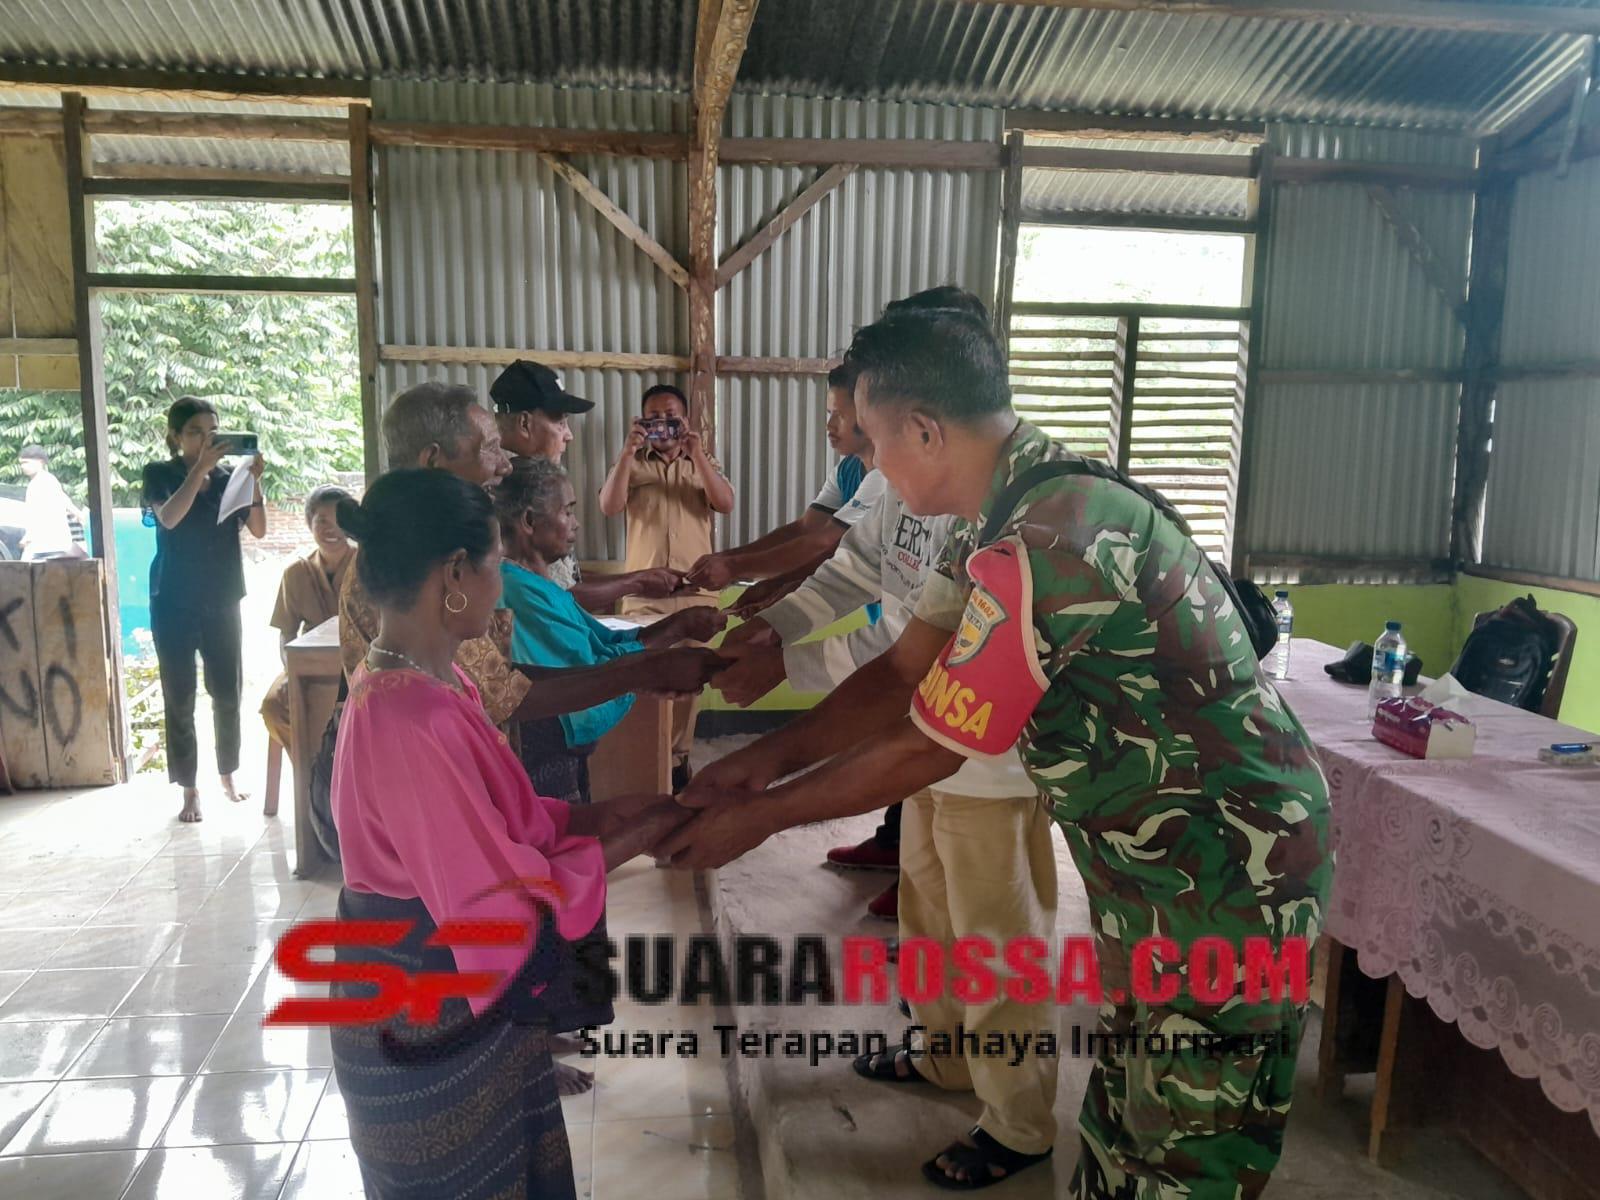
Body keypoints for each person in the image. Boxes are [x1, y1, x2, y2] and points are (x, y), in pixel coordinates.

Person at [665, 304, 1332, 1196]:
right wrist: (763, 762)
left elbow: (932, 743)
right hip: (1154, 860)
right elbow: (905, 669)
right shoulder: (997, 515)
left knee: (1186, 1141)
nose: (870, 465)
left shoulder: (1055, 538)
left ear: (925, 431)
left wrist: (763, 816)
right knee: (1129, 1105)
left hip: (1230, 868)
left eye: (874, 441)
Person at [328, 466, 689, 1200]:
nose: (504, 586)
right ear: (455, 574)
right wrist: (642, 833)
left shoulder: (434, 683)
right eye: (497, 564)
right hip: (426, 1022)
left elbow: (505, 822)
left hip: (466, 1008)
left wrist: (597, 817)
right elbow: (496, 906)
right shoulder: (407, 718)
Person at [339, 381, 721, 730]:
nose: (505, 465)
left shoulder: (430, 543)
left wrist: (643, 667)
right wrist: (641, 671)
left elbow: (502, 677)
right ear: (433, 460)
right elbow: (502, 696)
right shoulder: (421, 559)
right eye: (489, 449)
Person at [598, 383, 735, 790]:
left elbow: (725, 503)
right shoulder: (631, 462)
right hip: (646, 595)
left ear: (685, 420)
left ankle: (677, 761)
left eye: (671, 417)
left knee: (690, 681)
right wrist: (627, 453)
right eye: (653, 418)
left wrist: (697, 455)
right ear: (641, 422)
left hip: (696, 594)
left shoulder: (703, 462)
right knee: (646, 680)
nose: (662, 425)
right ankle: (647, 761)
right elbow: (608, 506)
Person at [140, 398, 266, 824]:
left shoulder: (231, 477)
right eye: (195, 432)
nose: (206, 439)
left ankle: (228, 773)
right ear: (176, 436)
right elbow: (169, 518)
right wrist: (199, 471)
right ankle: (189, 788)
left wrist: (254, 483)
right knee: (179, 696)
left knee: (228, 692)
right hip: (173, 599)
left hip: (223, 596)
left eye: (212, 431)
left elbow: (259, 529)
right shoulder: (160, 474)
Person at [491, 358, 688, 612]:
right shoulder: (506, 488)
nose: (569, 435)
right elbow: (556, 596)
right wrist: (637, 582)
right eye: (560, 423)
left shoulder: (529, 478)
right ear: (524, 424)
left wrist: (638, 580)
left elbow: (566, 580)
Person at [685, 365, 884, 606]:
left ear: (867, 416)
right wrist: (725, 559)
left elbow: (824, 542)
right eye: (829, 413)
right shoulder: (846, 470)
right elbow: (805, 528)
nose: (829, 425)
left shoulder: (884, 476)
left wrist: (734, 567)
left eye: (840, 415)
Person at [260, 485, 355, 813]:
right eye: (321, 520)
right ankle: (313, 772)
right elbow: (286, 633)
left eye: (339, 519)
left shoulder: (367, 566)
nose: (331, 529)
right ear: (308, 524)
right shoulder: (295, 573)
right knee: (274, 706)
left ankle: (342, 779)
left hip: (356, 665)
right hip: (309, 666)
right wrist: (291, 672)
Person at [16, 445, 81, 561]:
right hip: (47, 544)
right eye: (21, 463)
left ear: (40, 462)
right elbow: (64, 499)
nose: (23, 466)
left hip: (48, 544)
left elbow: (41, 513)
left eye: (26, 462)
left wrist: (29, 536)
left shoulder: (44, 481)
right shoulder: (43, 481)